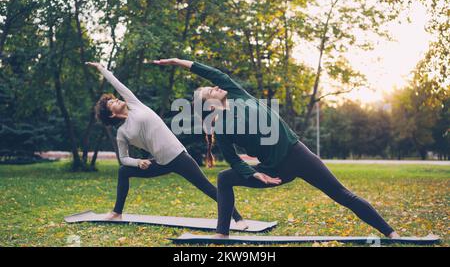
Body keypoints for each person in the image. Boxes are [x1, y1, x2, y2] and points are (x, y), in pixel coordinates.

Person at [153, 58, 400, 239]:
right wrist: (254, 173)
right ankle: (222, 234)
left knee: (342, 194)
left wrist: (177, 62)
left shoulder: (239, 95)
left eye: (214, 87)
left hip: (298, 154)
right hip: (273, 171)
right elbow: (234, 161)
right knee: (224, 178)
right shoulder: (223, 128)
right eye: (211, 91)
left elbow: (211, 72)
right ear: (210, 104)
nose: (216, 87)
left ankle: (391, 232)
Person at [86, 62, 247, 230]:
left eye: (114, 98)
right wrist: (138, 162)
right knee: (123, 171)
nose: (116, 99)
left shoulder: (135, 104)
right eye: (111, 102)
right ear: (112, 114)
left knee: (207, 187)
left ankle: (238, 218)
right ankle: (116, 212)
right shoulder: (122, 133)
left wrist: (101, 69)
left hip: (178, 156)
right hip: (161, 162)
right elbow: (124, 158)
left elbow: (117, 84)